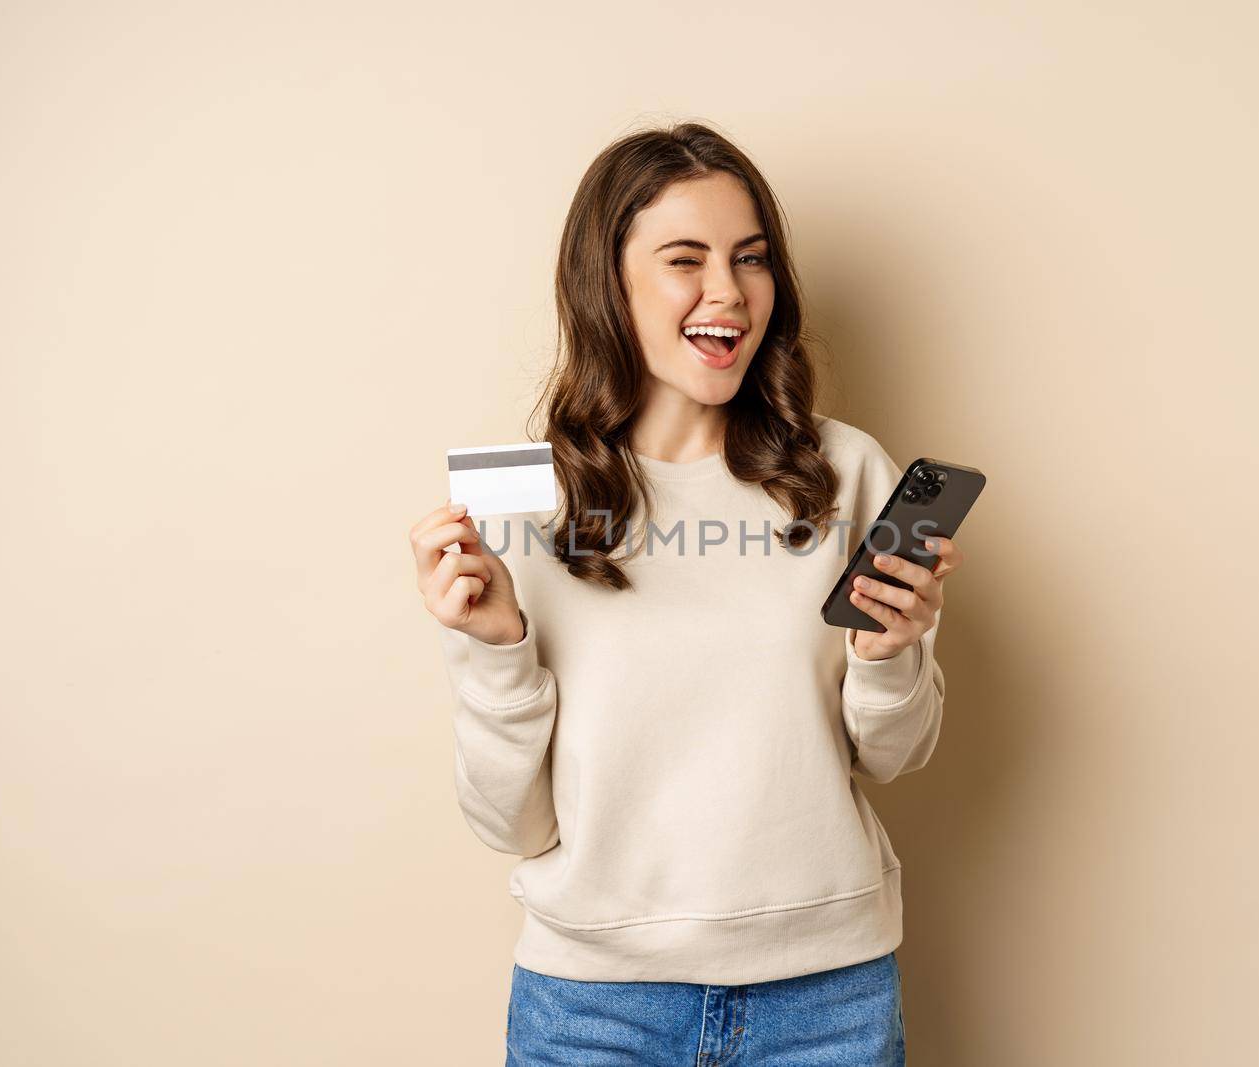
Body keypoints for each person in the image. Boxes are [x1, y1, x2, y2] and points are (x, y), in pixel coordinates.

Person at [408, 122, 965, 1065]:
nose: (729, 292)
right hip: (593, 1010)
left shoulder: (845, 470)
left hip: (828, 998)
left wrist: (887, 655)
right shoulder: (519, 501)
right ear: (606, 283)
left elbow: (895, 754)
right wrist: (499, 651)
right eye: (685, 259)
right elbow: (510, 822)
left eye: (751, 259)